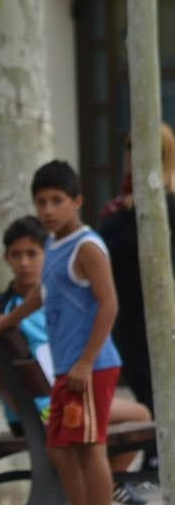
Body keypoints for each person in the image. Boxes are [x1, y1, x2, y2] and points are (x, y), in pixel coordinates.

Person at [0, 161, 127, 505]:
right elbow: (44, 294)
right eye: (41, 202)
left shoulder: (87, 247)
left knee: (90, 449)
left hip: (91, 366)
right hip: (68, 367)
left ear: (77, 202)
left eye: (57, 201)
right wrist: (11, 318)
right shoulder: (54, 244)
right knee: (61, 450)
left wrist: (87, 361)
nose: (48, 209)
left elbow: (109, 304)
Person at [0, 216, 151, 505]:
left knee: (119, 423)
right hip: (47, 408)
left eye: (31, 254)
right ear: (6, 258)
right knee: (137, 417)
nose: (24, 263)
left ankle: (102, 490)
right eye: (17, 255)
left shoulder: (3, 309)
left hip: (31, 411)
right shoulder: (19, 310)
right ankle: (106, 487)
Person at [98, 124, 175, 428]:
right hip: (130, 321)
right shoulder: (119, 210)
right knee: (148, 398)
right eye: (130, 147)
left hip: (161, 320)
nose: (135, 155)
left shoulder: (165, 207)